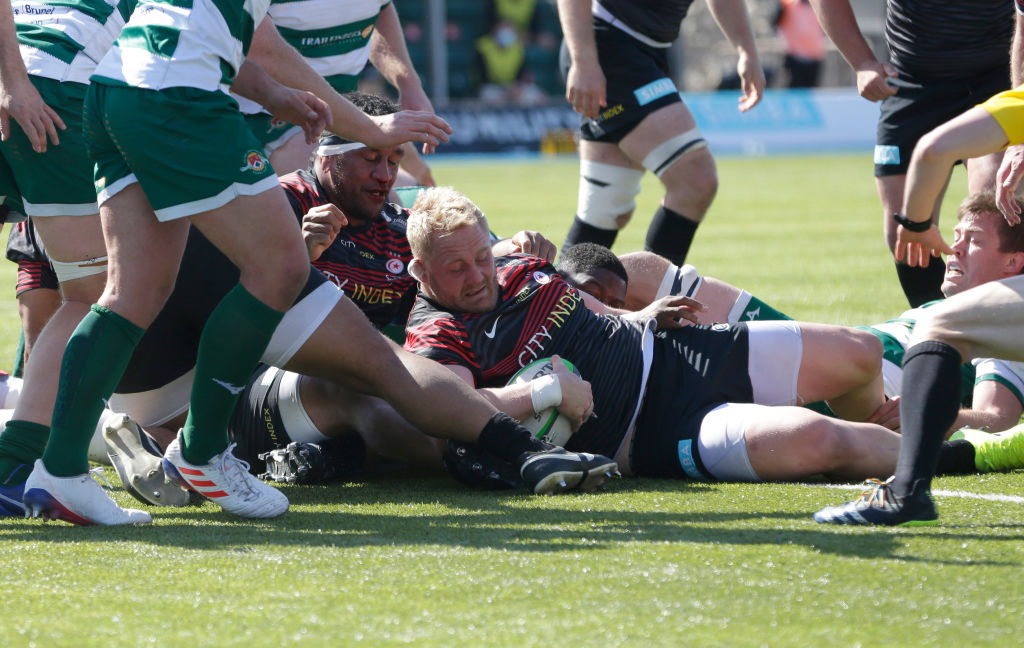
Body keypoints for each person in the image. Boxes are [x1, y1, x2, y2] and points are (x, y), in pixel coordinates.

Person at [11, 1, 458, 526]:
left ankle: (61, 472)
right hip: (172, 93)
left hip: (114, 86)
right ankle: (200, 452)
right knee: (280, 266)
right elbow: (259, 40)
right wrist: (368, 127)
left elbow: (233, 29)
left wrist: (277, 94)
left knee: (127, 292)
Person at [401, 187, 1024, 487]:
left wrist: (641, 319)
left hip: (681, 353)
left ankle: (892, 425)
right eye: (456, 268)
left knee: (859, 354)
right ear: (420, 272)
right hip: (649, 432)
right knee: (818, 442)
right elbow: (452, 411)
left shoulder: (516, 264)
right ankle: (954, 457)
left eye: (480, 257)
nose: (477, 276)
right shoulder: (436, 332)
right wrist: (543, 394)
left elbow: (590, 309)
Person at [559, 194, 1024, 437]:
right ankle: (538, 314)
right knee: (644, 271)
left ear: (1014, 265)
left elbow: (997, 418)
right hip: (835, 354)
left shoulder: (1005, 320)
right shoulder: (949, 308)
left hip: (859, 393)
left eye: (974, 241)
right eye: (956, 234)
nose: (954, 247)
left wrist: (940, 414)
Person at [815, 81, 1024, 526]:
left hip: (850, 384)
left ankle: (907, 493)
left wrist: (915, 223)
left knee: (940, 326)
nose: (956, 248)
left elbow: (933, 149)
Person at [808, 0, 1018, 307]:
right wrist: (862, 62)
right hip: (913, 82)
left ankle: (993, 341)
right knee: (904, 232)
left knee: (990, 216)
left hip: (996, 78)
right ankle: (937, 337)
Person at [556, 0, 765, 264]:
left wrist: (746, 50)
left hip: (643, 52)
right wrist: (583, 60)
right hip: (607, 47)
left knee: (605, 207)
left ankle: (553, 300)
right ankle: (654, 295)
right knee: (695, 179)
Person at [774, 0, 826, 89]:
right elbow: (776, 24)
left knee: (812, 92)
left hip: (815, 59)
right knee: (793, 92)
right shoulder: (787, 5)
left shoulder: (819, 5)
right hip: (794, 59)